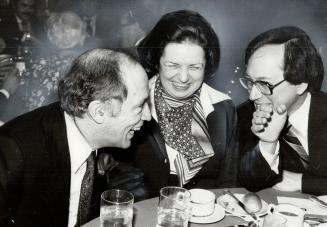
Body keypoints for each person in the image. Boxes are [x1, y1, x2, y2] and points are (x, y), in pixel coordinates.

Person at [0, 48, 151, 227]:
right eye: (140, 106)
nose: (148, 116)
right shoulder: (14, 150)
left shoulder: (96, 136)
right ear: (99, 112)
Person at [133, 10, 238, 198]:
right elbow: (121, 182)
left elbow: (228, 182)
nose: (183, 78)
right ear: (157, 61)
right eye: (173, 65)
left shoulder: (224, 107)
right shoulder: (134, 103)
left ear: (207, 65)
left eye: (194, 67)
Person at [238, 26, 327, 195]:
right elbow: (250, 182)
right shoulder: (246, 115)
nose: (252, 95)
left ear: (300, 83)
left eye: (264, 84)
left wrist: (302, 182)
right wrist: (268, 142)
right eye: (250, 81)